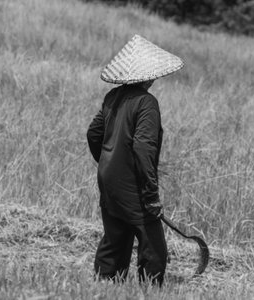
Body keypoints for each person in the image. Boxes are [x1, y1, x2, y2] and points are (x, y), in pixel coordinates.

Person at [86, 35, 184, 286]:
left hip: (108, 179)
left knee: (115, 234)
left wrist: (108, 160)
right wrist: (151, 194)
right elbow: (143, 149)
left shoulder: (113, 97)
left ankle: (105, 284)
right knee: (152, 242)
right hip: (132, 183)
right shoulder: (146, 103)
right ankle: (149, 290)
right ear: (149, 75)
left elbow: (93, 134)